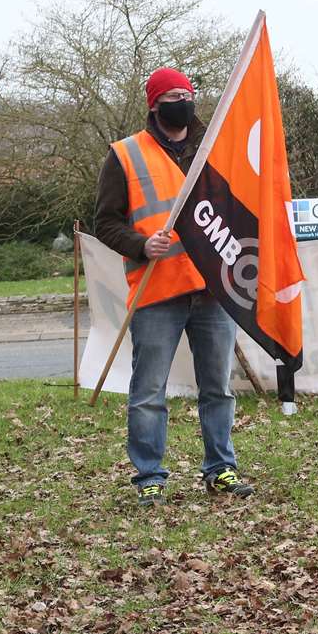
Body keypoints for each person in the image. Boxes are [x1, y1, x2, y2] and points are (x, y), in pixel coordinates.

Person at [94, 67, 253, 506]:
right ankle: (149, 477)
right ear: (154, 104)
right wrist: (141, 244)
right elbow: (104, 222)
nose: (183, 100)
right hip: (157, 290)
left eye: (187, 93)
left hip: (213, 290)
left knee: (218, 387)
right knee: (148, 392)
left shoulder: (214, 147)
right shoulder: (125, 155)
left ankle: (221, 469)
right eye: (173, 95)